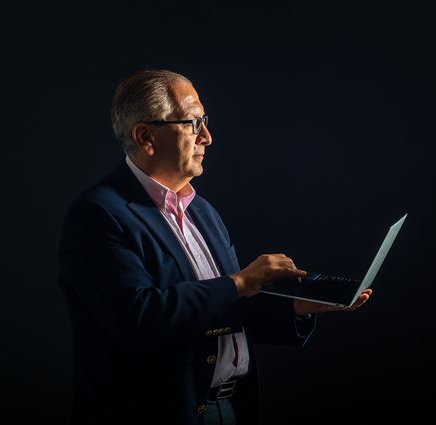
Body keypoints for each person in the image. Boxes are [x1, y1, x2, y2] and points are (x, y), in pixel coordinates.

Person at [58, 69, 372, 425]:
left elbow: (220, 313)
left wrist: (298, 306)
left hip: (228, 408)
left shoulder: (202, 212)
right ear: (146, 137)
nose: (207, 136)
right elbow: (139, 319)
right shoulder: (98, 215)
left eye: (204, 121)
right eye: (193, 123)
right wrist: (241, 282)